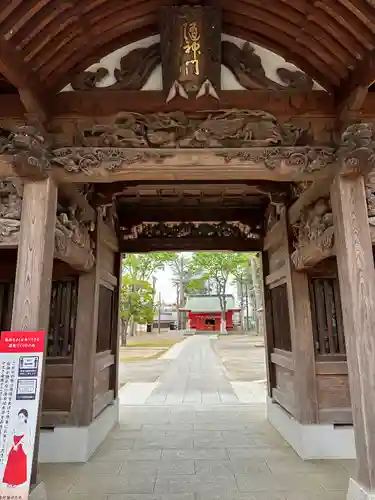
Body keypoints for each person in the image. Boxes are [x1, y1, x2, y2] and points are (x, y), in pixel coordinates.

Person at [2, 409, 30, 487]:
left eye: (22, 416)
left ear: (25, 418)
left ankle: (16, 481)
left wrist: (18, 445)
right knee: (11, 463)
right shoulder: (15, 426)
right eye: (19, 416)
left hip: (21, 446)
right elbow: (11, 435)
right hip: (13, 445)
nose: (20, 417)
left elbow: (26, 437)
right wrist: (13, 444)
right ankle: (10, 481)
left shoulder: (26, 426)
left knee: (18, 464)